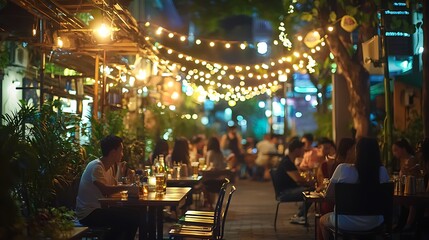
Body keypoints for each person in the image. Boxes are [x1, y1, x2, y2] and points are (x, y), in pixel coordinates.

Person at [319, 137, 390, 240]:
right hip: (375, 221)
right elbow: (386, 199)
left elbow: (328, 196)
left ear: (358, 152)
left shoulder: (343, 169)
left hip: (344, 222)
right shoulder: (382, 171)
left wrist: (345, 201)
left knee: (322, 220)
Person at [76, 135, 140, 240]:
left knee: (134, 214)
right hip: (88, 213)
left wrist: (127, 181)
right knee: (131, 218)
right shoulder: (96, 166)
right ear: (113, 152)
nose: (122, 154)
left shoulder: (109, 167)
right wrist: (127, 187)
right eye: (121, 150)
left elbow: (113, 189)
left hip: (99, 209)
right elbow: (105, 190)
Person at [276, 139, 315, 225]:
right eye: (302, 149)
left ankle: (300, 214)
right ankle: (300, 215)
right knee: (311, 192)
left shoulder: (289, 161)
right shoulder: (287, 162)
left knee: (311, 190)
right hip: (285, 193)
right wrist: (312, 182)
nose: (304, 152)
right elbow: (298, 179)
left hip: (288, 190)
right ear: (297, 150)